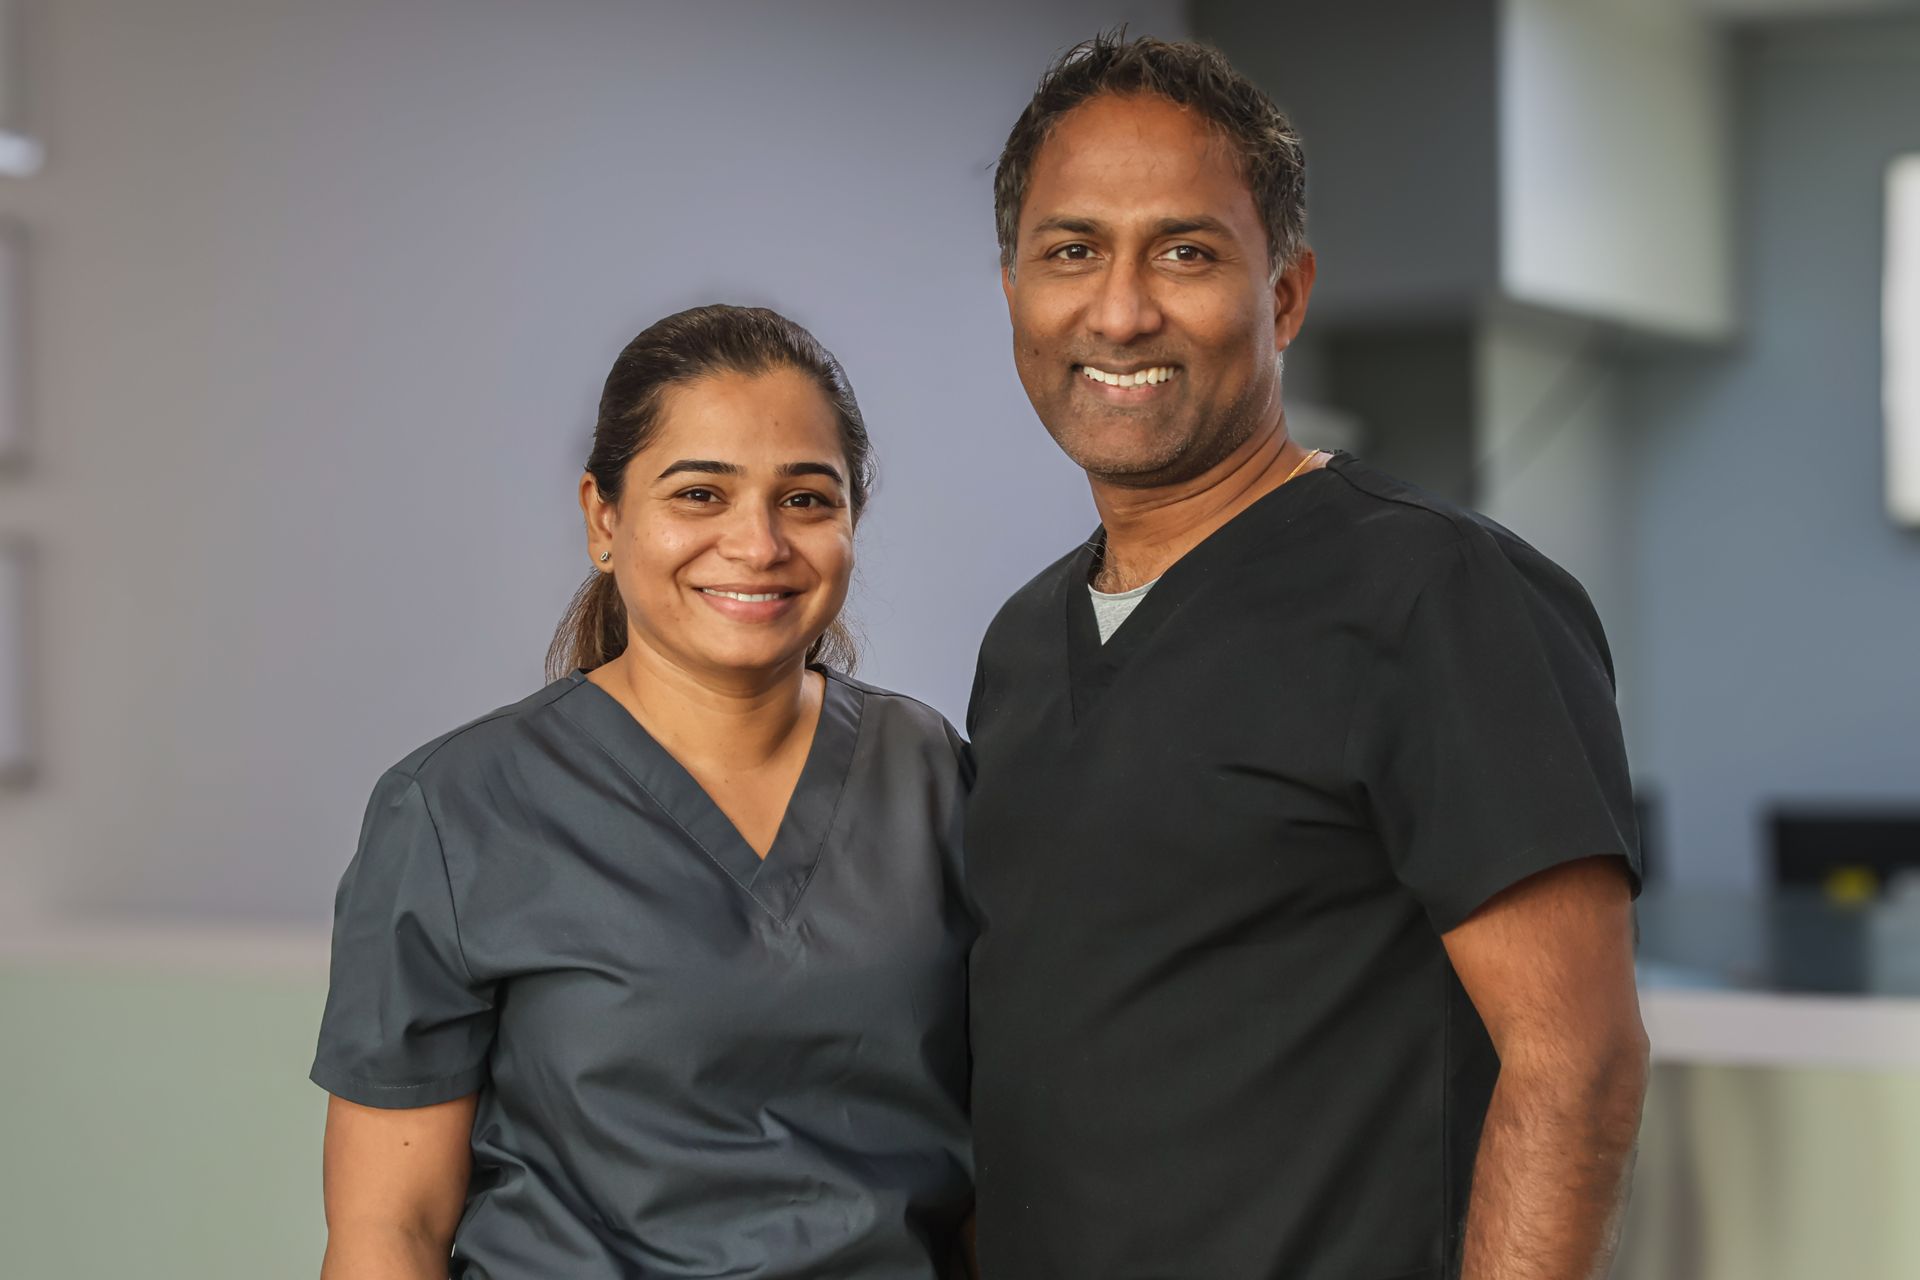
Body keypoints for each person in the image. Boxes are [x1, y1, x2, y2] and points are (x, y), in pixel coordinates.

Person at [965, 34, 1647, 1280]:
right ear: (1014, 291)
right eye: (1072, 251)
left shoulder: (1436, 592)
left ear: (1284, 295)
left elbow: (1578, 1064)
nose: (1119, 308)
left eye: (1186, 251)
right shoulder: (1020, 642)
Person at [310, 305, 973, 1278]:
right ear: (604, 518)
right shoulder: (455, 810)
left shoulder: (934, 776)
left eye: (804, 498)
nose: (757, 543)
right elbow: (389, 1230)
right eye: (701, 493)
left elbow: (1009, 1159)